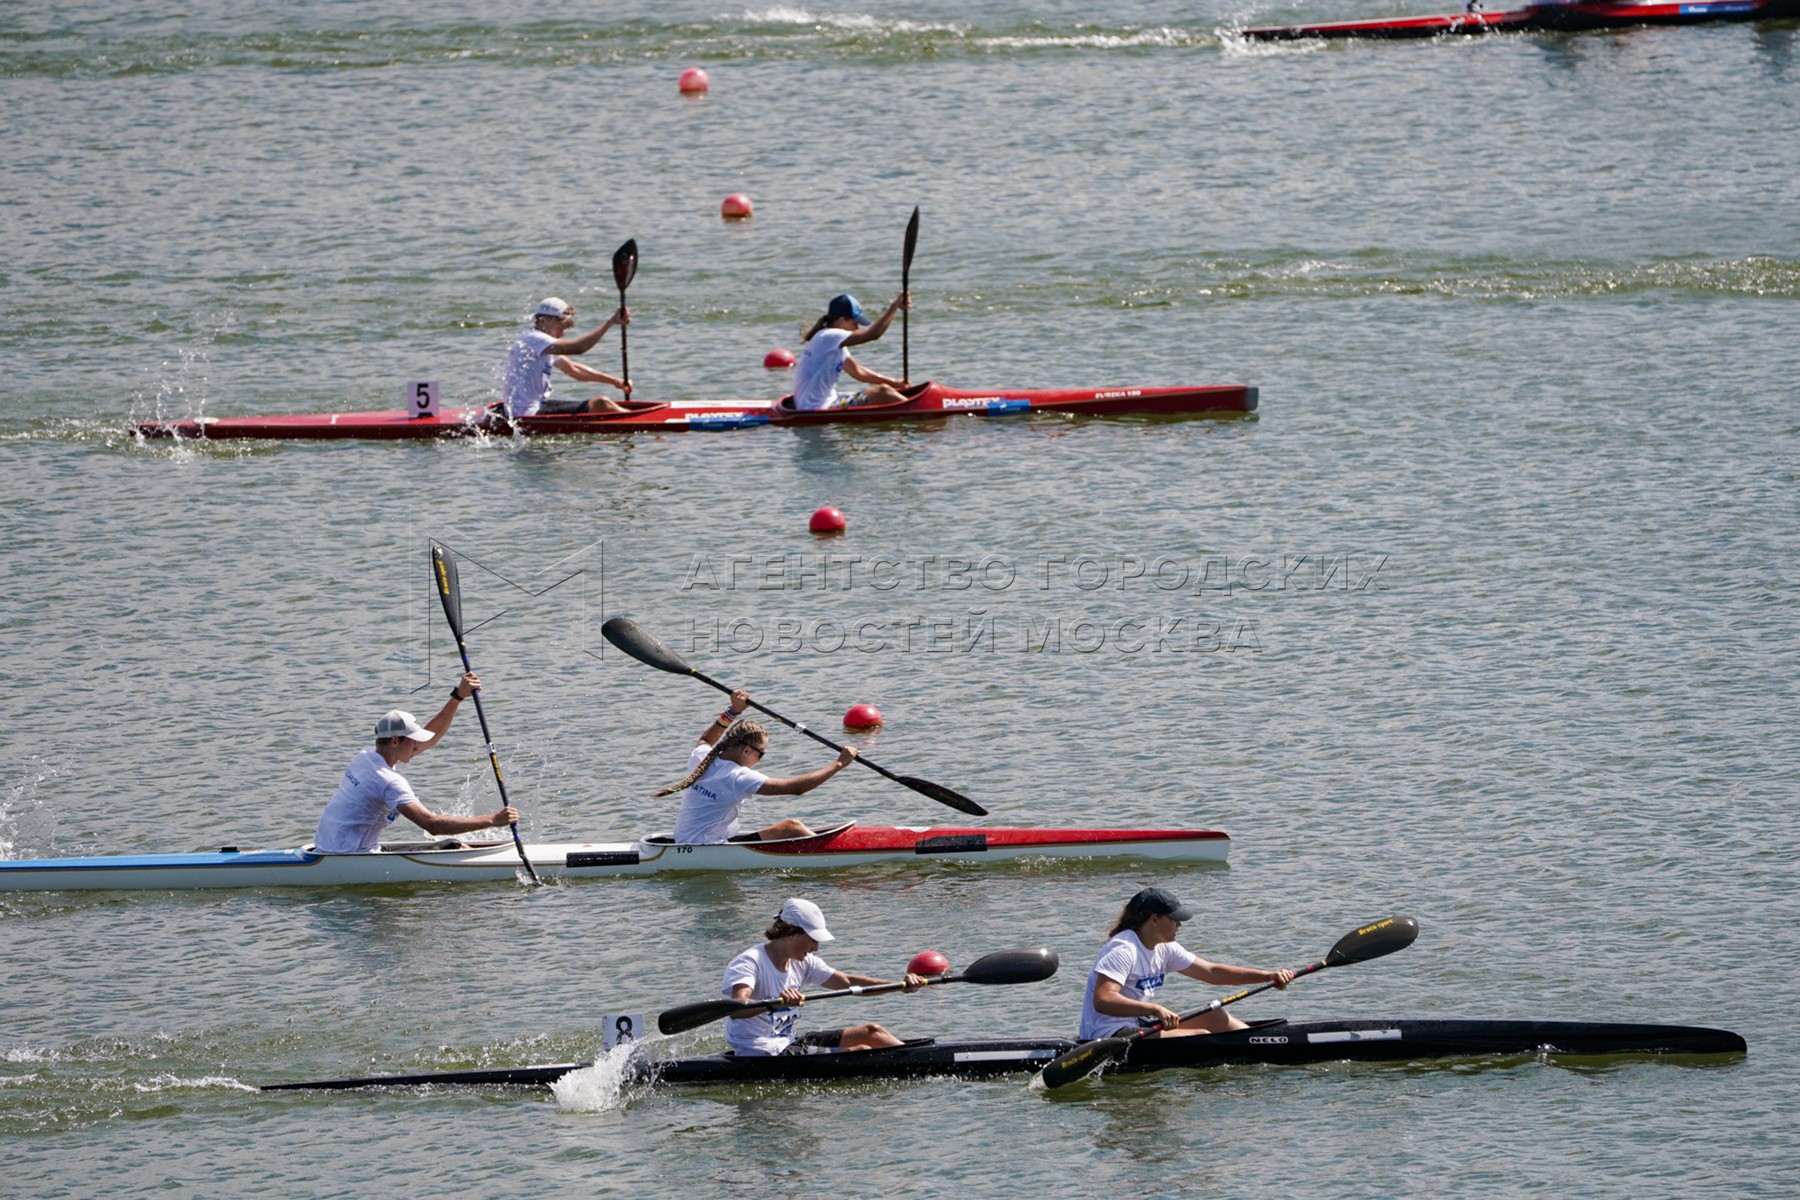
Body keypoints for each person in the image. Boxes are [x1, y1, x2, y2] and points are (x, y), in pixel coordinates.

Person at [313, 672, 519, 853]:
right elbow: (431, 825)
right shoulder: (389, 782)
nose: (417, 746)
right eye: (413, 741)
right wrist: (493, 820)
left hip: (328, 847)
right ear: (395, 740)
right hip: (350, 856)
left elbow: (429, 738)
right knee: (453, 846)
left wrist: (457, 697)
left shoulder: (365, 757)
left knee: (452, 844)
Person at [1077, 887, 1295, 1040]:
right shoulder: (1124, 949)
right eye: (1174, 919)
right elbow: (1103, 999)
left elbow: (1213, 973)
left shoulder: (1164, 947)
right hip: (1110, 1034)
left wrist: (1267, 976)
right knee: (1201, 1036)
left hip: (1140, 1025)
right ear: (1154, 920)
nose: (1179, 924)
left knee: (1215, 1016)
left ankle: (1260, 1045)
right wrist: (1154, 1009)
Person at [721, 897, 929, 1057]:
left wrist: (900, 985)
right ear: (791, 932)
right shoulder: (750, 961)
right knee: (861, 1050)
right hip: (761, 1053)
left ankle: (921, 1061)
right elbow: (738, 1007)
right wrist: (774, 1004)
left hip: (787, 1043)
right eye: (813, 940)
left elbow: (847, 982)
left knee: (872, 1032)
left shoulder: (803, 962)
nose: (817, 948)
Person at [656, 690, 857, 844]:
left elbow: (706, 739)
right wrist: (839, 764)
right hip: (706, 848)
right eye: (761, 754)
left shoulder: (701, 758)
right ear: (746, 751)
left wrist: (732, 711)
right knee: (791, 827)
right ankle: (831, 855)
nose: (760, 760)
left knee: (789, 828)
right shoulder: (737, 777)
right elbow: (796, 788)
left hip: (687, 841)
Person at [502, 297, 633, 417]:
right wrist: (610, 322)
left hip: (533, 406)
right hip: (525, 413)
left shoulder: (538, 343)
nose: (562, 334)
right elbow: (579, 348)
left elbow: (574, 369)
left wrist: (615, 381)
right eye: (559, 328)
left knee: (601, 404)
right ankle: (638, 421)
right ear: (543, 321)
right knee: (602, 404)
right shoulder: (534, 339)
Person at [790, 291, 911, 411]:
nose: (857, 328)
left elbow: (858, 372)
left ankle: (911, 406)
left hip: (822, 401)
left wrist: (895, 383)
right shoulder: (829, 336)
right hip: (816, 407)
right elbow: (873, 334)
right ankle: (917, 409)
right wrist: (894, 306)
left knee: (883, 390)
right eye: (855, 323)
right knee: (883, 392)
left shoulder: (831, 343)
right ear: (841, 320)